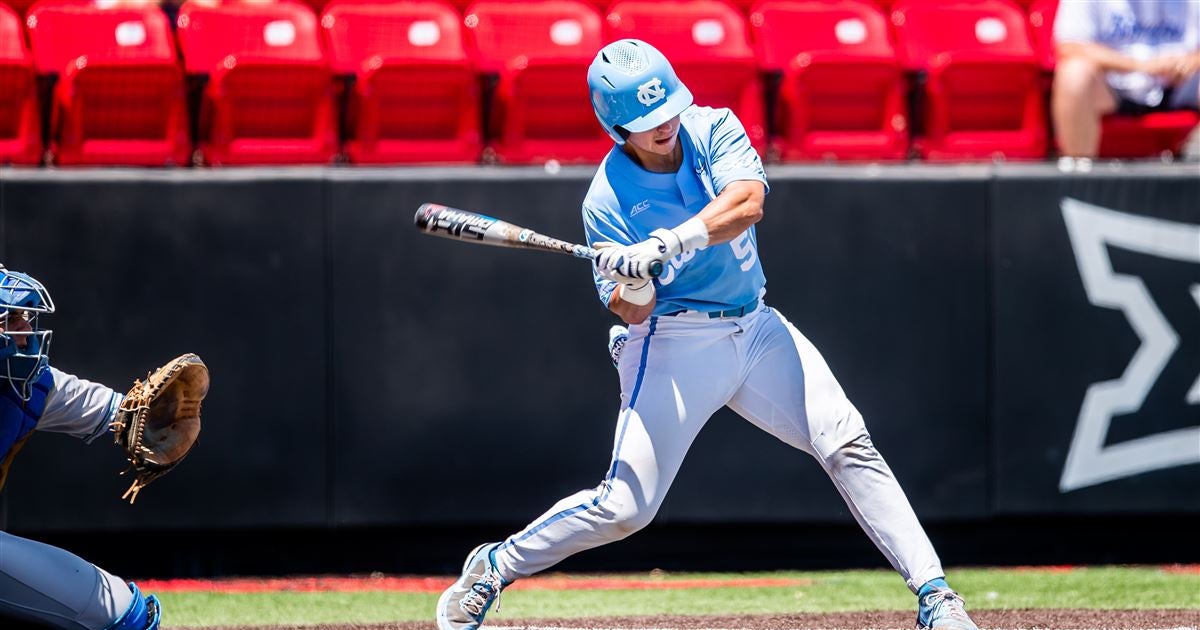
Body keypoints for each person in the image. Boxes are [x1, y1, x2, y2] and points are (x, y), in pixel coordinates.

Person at [435, 39, 980, 630]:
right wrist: (634, 279)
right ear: (616, 127)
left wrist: (669, 243)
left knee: (847, 441)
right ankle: (495, 564)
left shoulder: (713, 127)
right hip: (674, 344)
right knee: (626, 510)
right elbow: (631, 311)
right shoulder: (607, 200)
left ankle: (936, 597)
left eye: (667, 108)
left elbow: (746, 204)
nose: (664, 125)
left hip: (757, 326)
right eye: (645, 121)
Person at [0, 265, 160, 630]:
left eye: (23, 317)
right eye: (10, 319)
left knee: (125, 615)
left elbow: (124, 413)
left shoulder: (27, 387)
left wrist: (157, 420)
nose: (25, 330)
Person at [1053, 0, 1200, 158]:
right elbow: (1070, 47)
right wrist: (1140, 66)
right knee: (1074, 73)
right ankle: (1079, 171)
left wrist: (1191, 61)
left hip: (1178, 87)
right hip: (1113, 88)